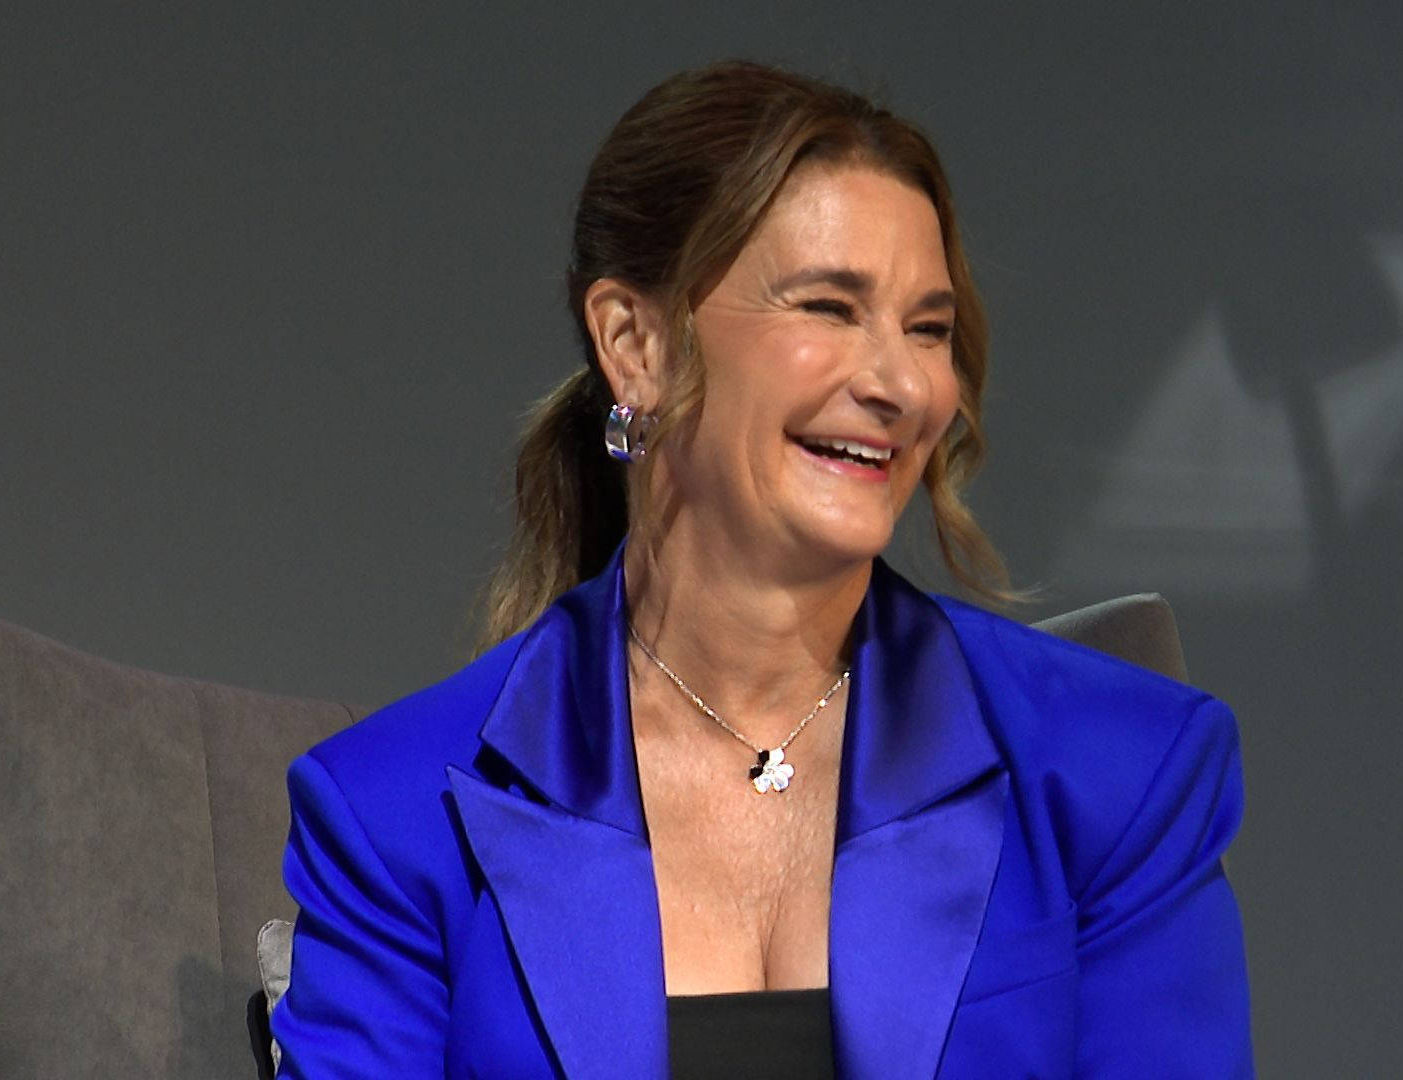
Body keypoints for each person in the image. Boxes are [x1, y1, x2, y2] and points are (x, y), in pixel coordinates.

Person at [272, 60, 1251, 1079]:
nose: (900, 385)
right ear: (635, 343)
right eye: (830, 308)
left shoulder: (1120, 772)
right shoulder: (394, 815)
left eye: (930, 328)